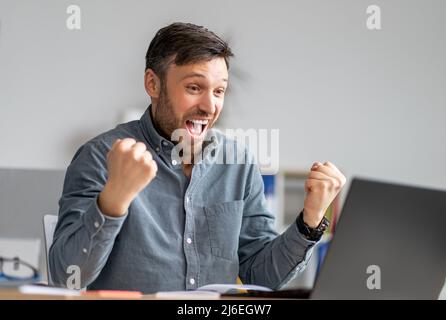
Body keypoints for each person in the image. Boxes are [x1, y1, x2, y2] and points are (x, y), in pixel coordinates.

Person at [49, 22, 346, 293]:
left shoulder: (238, 163)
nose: (209, 105)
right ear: (153, 84)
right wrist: (114, 199)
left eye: (219, 91)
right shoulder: (100, 156)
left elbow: (261, 275)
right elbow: (67, 276)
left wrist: (311, 218)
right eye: (194, 88)